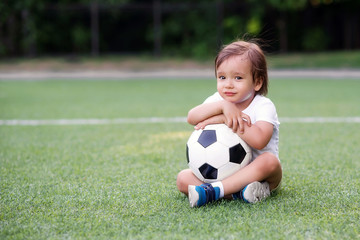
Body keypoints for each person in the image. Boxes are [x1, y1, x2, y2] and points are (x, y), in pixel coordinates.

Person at [176, 39, 282, 207]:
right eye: (222, 77)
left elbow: (260, 140)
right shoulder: (218, 100)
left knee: (270, 161)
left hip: (258, 174)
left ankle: (214, 192)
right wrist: (223, 106)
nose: (228, 85)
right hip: (222, 172)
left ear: (257, 82)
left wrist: (225, 118)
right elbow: (192, 117)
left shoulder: (263, 106)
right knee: (183, 179)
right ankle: (237, 193)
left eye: (238, 78)